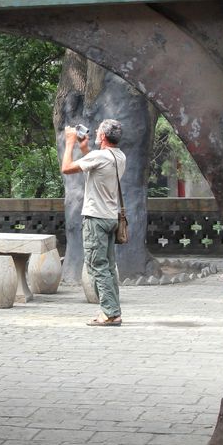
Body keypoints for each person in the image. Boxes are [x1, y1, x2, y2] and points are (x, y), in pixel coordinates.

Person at [61, 119, 127, 327]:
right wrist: (84, 148)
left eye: (99, 130)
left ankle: (109, 313)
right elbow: (94, 166)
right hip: (110, 217)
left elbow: (67, 168)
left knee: (96, 266)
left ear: (104, 137)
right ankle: (112, 310)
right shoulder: (119, 156)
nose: (96, 131)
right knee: (107, 266)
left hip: (96, 219)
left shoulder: (100, 156)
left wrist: (70, 142)